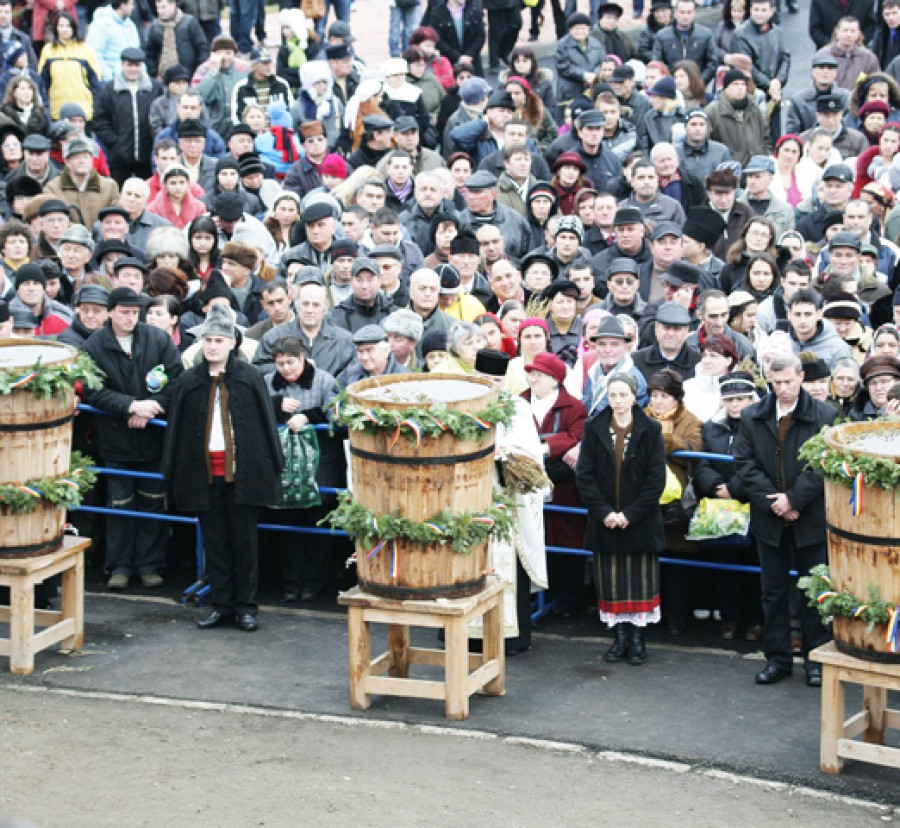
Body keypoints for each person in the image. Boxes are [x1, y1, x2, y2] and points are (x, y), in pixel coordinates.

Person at [162, 303, 282, 632]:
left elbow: (265, 428)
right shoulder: (189, 381)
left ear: (232, 343)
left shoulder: (250, 377)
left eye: (219, 340)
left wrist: (271, 469)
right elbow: (177, 433)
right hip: (204, 475)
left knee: (244, 544)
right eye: (208, 340)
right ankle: (222, 605)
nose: (213, 346)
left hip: (243, 476)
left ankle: (246, 607)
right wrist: (173, 474)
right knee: (214, 543)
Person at [734, 354, 838, 687]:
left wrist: (794, 499)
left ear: (801, 377)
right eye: (776, 383)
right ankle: (777, 659)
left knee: (814, 592)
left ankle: (815, 660)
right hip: (770, 518)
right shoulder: (752, 416)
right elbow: (745, 465)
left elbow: (825, 464)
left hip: (809, 517)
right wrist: (776, 502)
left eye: (788, 382)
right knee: (773, 592)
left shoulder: (825, 414)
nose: (782, 389)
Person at [83, 286, 184, 591]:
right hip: (116, 441)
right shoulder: (95, 346)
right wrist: (129, 405)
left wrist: (152, 408)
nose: (130, 318)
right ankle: (119, 566)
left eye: (134, 312)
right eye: (124, 312)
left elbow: (177, 378)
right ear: (110, 312)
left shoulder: (157, 339)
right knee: (120, 505)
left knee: (153, 504)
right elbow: (93, 389)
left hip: (153, 438)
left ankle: (150, 565)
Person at [576, 371, 667, 665]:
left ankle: (638, 639)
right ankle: (619, 639)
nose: (617, 401)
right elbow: (585, 475)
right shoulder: (594, 428)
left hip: (639, 520)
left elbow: (656, 479)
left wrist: (630, 514)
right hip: (605, 520)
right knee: (611, 581)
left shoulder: (650, 429)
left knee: (640, 580)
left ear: (634, 395)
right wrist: (604, 513)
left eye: (623, 395)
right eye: (612, 395)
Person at [92, 48, 163, 184]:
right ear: (122, 65)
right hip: (119, 159)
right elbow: (100, 122)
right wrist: (116, 143)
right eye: (129, 65)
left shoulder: (154, 88)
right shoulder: (109, 90)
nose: (133, 69)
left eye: (137, 65)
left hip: (147, 155)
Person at [145, 0, 210, 81]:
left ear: (173, 5)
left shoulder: (189, 22)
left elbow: (202, 48)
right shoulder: (155, 27)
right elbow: (150, 54)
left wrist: (198, 72)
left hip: (189, 76)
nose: (160, 11)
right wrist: (154, 74)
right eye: (158, 8)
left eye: (163, 7)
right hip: (163, 78)